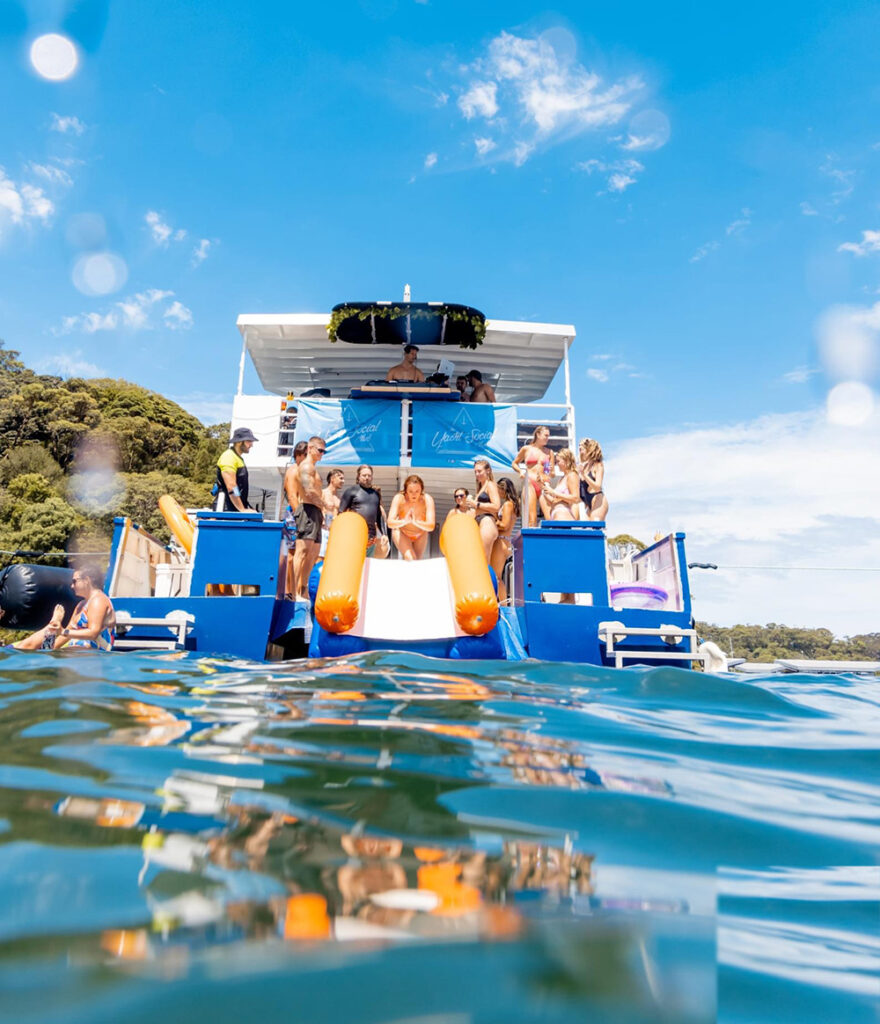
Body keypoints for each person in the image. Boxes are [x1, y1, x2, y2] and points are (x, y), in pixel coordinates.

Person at [5, 565, 116, 651]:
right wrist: (49, 650)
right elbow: (66, 634)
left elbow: (93, 633)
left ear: (86, 580)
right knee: (27, 647)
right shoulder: (81, 605)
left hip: (94, 656)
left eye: (74, 581)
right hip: (78, 653)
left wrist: (62, 631)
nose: (72, 586)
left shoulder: (98, 600)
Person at [291, 436, 326, 600]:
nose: (322, 454)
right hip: (307, 509)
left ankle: (302, 590)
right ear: (310, 448)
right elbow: (309, 491)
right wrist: (324, 505)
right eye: (320, 450)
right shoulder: (306, 466)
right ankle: (293, 592)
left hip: (315, 511)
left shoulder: (313, 468)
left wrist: (321, 509)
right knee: (302, 551)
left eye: (324, 451)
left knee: (313, 553)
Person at [338, 464, 389, 558]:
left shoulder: (375, 494)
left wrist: (384, 534)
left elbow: (378, 516)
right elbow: (340, 514)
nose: (367, 478)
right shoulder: (351, 491)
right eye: (364, 475)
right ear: (358, 476)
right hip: (355, 535)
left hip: (371, 538)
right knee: (354, 562)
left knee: (367, 564)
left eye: (369, 475)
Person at [512, 426, 554, 527]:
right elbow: (514, 463)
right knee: (532, 519)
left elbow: (552, 473)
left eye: (548, 436)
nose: (547, 438)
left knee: (550, 518)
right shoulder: (526, 449)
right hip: (530, 482)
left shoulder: (549, 452)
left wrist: (550, 471)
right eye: (546, 435)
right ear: (538, 434)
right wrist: (520, 471)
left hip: (544, 484)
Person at [387, 474, 435, 560]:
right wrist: (405, 521)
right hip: (402, 532)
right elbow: (390, 523)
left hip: (420, 534)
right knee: (411, 558)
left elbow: (431, 526)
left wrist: (416, 522)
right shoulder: (399, 498)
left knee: (416, 562)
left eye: (417, 491)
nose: (414, 494)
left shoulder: (427, 499)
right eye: (410, 491)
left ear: (421, 490)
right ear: (406, 491)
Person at [282, 440, 308, 598]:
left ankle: (294, 590)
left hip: (300, 513)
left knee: (300, 553)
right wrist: (300, 516)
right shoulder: (293, 471)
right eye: (305, 455)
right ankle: (288, 591)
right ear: (298, 455)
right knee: (291, 555)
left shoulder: (302, 470)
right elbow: (292, 496)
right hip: (294, 515)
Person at [464, 459, 500, 563]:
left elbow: (496, 506)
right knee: (478, 560)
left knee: (483, 561)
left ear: (488, 470)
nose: (477, 474)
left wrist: (477, 504)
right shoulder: (481, 487)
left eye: (479, 471)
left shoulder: (490, 485)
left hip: (487, 522)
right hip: (480, 522)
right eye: (475, 472)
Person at [491, 477, 519, 605]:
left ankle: (503, 605)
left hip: (501, 541)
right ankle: (502, 603)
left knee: (496, 577)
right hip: (504, 541)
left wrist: (492, 522)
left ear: (503, 489)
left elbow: (504, 525)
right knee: (497, 576)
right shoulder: (511, 504)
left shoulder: (508, 504)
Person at [215, 426, 256, 512]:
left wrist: (245, 506)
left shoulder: (238, 458)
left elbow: (236, 488)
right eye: (249, 441)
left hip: (234, 508)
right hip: (225, 510)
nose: (251, 445)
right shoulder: (229, 457)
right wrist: (242, 509)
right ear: (239, 442)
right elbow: (232, 487)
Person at [544, 448, 580, 521]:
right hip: (556, 514)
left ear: (566, 460)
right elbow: (553, 501)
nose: (557, 464)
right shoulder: (562, 478)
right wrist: (543, 486)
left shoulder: (572, 475)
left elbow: (575, 498)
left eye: (558, 461)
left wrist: (553, 492)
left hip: (563, 514)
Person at [579, 438, 608, 522]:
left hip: (598, 500)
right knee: (585, 528)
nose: (580, 451)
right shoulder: (584, 466)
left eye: (581, 448)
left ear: (589, 449)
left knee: (594, 526)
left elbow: (598, 487)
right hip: (588, 503)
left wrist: (584, 475)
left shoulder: (598, 465)